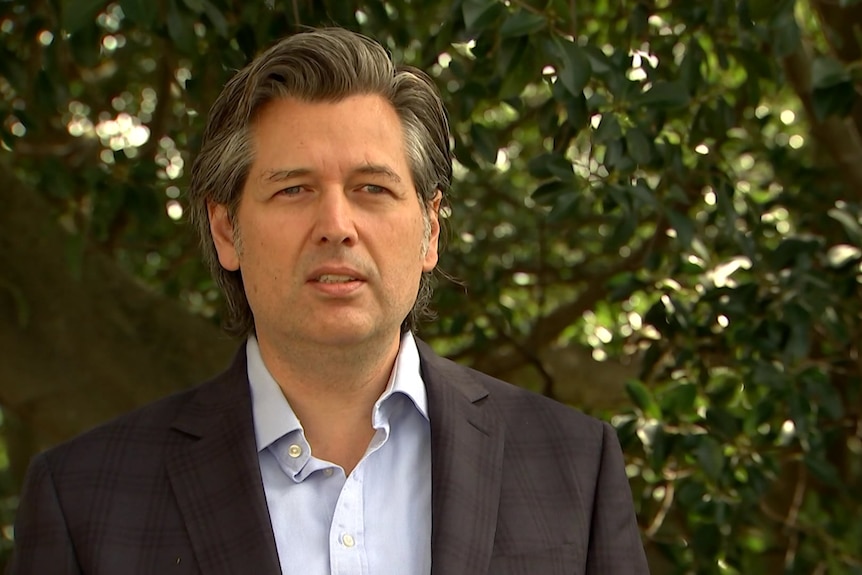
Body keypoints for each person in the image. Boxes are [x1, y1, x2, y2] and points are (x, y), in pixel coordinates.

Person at [8, 27, 649, 575]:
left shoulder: (574, 466)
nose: (336, 224)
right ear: (227, 229)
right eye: (293, 190)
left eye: (372, 187)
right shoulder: (84, 498)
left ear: (431, 231)